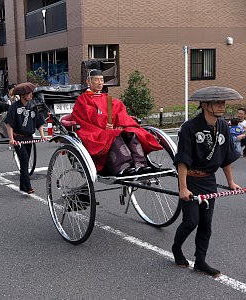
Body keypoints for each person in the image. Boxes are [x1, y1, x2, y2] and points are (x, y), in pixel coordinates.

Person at [172, 86, 242, 277]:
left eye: (223, 103)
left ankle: (200, 261)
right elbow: (183, 160)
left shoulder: (223, 127)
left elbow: (226, 157)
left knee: (206, 224)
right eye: (217, 103)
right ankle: (176, 249)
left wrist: (231, 182)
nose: (221, 106)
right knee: (191, 221)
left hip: (208, 181)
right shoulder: (189, 128)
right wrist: (183, 188)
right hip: (191, 179)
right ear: (204, 105)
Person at [71, 69, 162, 176]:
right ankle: (123, 167)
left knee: (131, 131)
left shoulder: (108, 98)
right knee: (113, 134)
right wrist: (105, 125)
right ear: (88, 82)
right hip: (93, 130)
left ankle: (140, 164)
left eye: (102, 80)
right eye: (96, 80)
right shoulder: (82, 100)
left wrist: (120, 124)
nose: (100, 83)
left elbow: (120, 112)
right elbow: (88, 116)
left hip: (111, 127)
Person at [5, 82, 46, 194]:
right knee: (24, 160)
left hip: (29, 137)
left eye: (31, 93)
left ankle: (22, 186)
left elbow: (39, 122)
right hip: (18, 138)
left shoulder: (33, 106)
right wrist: (11, 139)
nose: (31, 95)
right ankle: (28, 186)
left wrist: (42, 135)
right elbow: (9, 124)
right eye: (28, 93)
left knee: (26, 160)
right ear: (23, 95)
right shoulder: (14, 107)